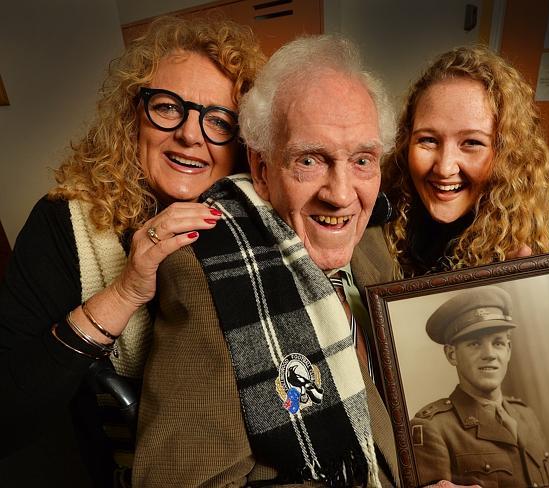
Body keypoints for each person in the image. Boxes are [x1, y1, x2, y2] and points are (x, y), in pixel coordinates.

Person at [132, 35, 474, 488]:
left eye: (362, 160)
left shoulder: (372, 242)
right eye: (309, 160)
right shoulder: (209, 275)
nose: (341, 193)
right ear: (261, 170)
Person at [0, 16, 264, 486]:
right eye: (167, 107)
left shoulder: (263, 224)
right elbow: (8, 414)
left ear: (244, 145)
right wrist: (124, 292)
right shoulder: (62, 220)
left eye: (219, 120)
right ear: (132, 115)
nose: (190, 134)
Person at [381, 45, 549, 345]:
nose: (444, 166)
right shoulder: (384, 215)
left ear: (505, 153)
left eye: (472, 143)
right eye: (427, 140)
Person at [410, 286, 549, 486]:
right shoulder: (433, 428)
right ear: (452, 355)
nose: (489, 354)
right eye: (475, 344)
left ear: (509, 350)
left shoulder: (526, 415)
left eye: (498, 343)